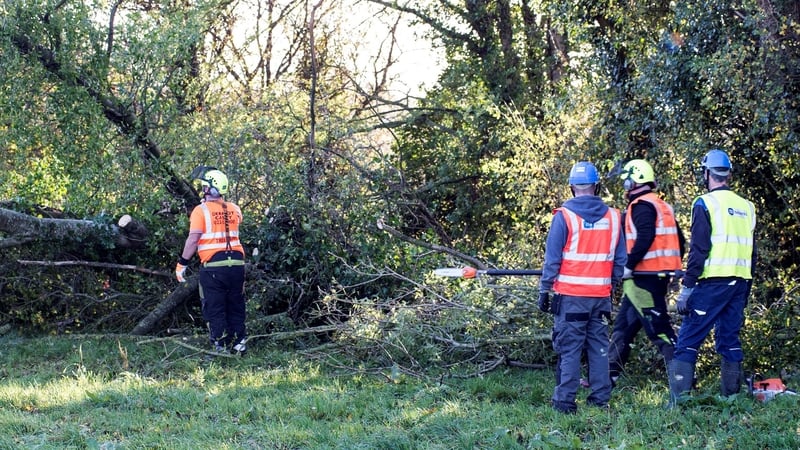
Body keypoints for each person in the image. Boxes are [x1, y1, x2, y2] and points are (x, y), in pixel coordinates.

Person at [668, 149, 756, 407]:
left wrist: (687, 288)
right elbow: (753, 252)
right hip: (740, 281)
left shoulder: (704, 204)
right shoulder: (747, 206)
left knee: (687, 341)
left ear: (707, 173)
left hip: (713, 282)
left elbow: (699, 249)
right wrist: (746, 288)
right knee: (730, 339)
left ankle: (679, 402)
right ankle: (732, 401)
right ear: (728, 175)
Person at [538, 161, 627, 413]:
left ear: (572, 187)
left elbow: (552, 259)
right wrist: (610, 283)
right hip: (600, 296)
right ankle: (600, 400)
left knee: (570, 349)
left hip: (570, 298)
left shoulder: (564, 217)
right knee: (599, 348)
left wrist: (544, 289)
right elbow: (620, 262)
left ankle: (565, 402)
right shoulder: (613, 217)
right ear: (596, 186)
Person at [608, 159, 685, 387]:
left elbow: (645, 237)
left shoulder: (641, 206)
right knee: (623, 328)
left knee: (660, 332)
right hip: (654, 277)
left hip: (643, 278)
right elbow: (681, 241)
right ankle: (605, 378)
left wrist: (628, 266)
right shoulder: (661, 205)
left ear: (635, 180)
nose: (625, 185)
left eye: (626, 180)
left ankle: (682, 384)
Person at [176, 166, 248, 355]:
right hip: (237, 266)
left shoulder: (201, 211)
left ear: (209, 189)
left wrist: (182, 263)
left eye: (204, 186)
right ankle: (239, 343)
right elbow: (227, 221)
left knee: (214, 306)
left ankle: (220, 345)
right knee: (235, 304)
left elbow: (193, 239)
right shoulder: (235, 209)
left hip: (214, 267)